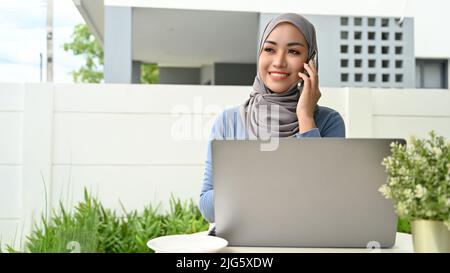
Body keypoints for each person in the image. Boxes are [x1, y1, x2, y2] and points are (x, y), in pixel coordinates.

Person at [199, 13, 346, 223]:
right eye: (269, 49)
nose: (279, 62)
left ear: (310, 61)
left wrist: (305, 118)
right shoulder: (228, 121)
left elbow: (324, 200)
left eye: (293, 51)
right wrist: (271, 180)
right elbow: (209, 209)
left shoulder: (329, 122)